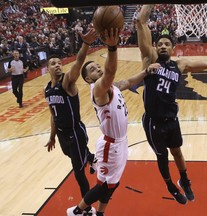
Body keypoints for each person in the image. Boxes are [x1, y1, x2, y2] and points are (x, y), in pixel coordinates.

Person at [136, 4, 207, 205]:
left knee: (177, 151)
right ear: (155, 47)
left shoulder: (180, 64)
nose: (162, 46)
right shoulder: (149, 59)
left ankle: (184, 179)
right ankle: (170, 185)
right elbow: (140, 22)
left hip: (171, 118)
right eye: (160, 43)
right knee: (162, 157)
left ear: (173, 49)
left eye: (166, 44)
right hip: (153, 121)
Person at [67, 28, 159, 216]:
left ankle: (100, 213)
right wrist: (112, 47)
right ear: (87, 78)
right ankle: (77, 211)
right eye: (93, 69)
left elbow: (128, 81)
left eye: (98, 66)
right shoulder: (99, 89)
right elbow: (110, 71)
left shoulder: (111, 86)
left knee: (113, 184)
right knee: (103, 186)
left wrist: (145, 72)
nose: (98, 69)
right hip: (110, 145)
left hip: (121, 142)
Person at [44, 28, 98, 215]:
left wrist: (86, 44)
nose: (58, 65)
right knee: (74, 158)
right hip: (61, 134)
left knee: (78, 172)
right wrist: (52, 137)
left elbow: (78, 63)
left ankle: (88, 209)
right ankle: (91, 158)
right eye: (53, 63)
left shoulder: (67, 82)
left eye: (59, 63)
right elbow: (52, 114)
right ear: (47, 68)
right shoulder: (47, 90)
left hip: (75, 131)